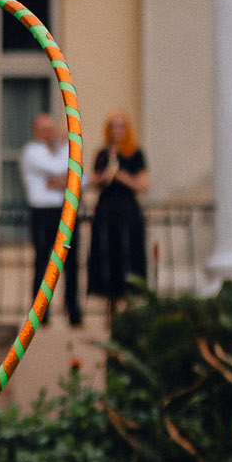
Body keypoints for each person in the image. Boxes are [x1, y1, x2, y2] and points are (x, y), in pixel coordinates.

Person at [19, 111, 83, 327]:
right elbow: (57, 169)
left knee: (71, 263)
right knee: (43, 263)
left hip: (66, 210)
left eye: (50, 128)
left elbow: (81, 178)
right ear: (35, 131)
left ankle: (73, 309)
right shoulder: (32, 151)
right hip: (42, 211)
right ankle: (40, 312)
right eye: (43, 129)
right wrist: (67, 176)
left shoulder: (63, 150)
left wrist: (62, 179)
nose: (48, 133)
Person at [86, 109, 150, 324]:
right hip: (106, 211)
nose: (117, 130)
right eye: (113, 126)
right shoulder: (103, 154)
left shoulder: (135, 153)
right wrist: (105, 176)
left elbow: (143, 184)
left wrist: (121, 176)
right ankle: (109, 310)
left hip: (127, 212)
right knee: (107, 257)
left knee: (127, 257)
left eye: (121, 126)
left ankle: (127, 309)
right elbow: (93, 181)